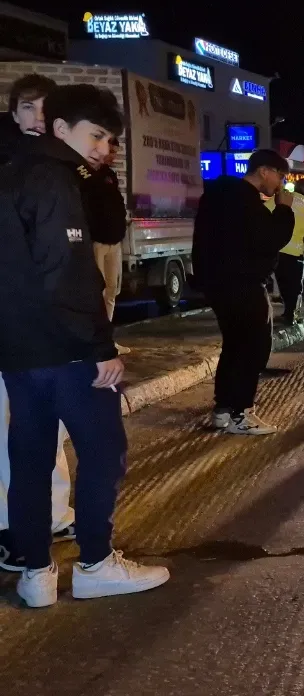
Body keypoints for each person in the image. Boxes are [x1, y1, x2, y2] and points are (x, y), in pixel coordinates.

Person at [0, 84, 169, 607]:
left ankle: (36, 575)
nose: (103, 148)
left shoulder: (13, 171)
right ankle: (96, 563)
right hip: (67, 351)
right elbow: (66, 273)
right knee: (102, 452)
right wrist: (100, 347)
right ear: (60, 128)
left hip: (18, 350)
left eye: (109, 140)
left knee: (29, 460)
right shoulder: (55, 179)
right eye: (96, 135)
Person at [0, 75, 77, 573]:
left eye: (46, 110)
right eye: (28, 108)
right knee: (9, 429)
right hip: (12, 320)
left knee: (44, 427)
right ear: (14, 113)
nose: (38, 119)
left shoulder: (61, 166)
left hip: (44, 325)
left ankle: (53, 515)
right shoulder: (9, 166)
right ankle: (12, 531)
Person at [192, 150, 296, 436]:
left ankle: (223, 409)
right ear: (264, 171)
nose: (280, 184)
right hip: (244, 284)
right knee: (253, 348)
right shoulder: (247, 202)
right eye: (279, 176)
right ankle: (242, 413)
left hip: (217, 284)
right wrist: (284, 209)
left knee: (234, 345)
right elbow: (269, 239)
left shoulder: (218, 196)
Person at [84, 135, 130, 354]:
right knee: (97, 292)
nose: (113, 157)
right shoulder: (87, 174)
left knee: (112, 290)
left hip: (114, 242)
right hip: (97, 242)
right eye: (111, 152)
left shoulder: (110, 175)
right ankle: (95, 342)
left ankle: (107, 339)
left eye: (115, 153)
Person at [275, 179, 304, 327]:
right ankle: (291, 314)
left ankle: (287, 312)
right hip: (295, 252)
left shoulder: (281, 199)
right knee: (294, 286)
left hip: (276, 249)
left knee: (282, 282)